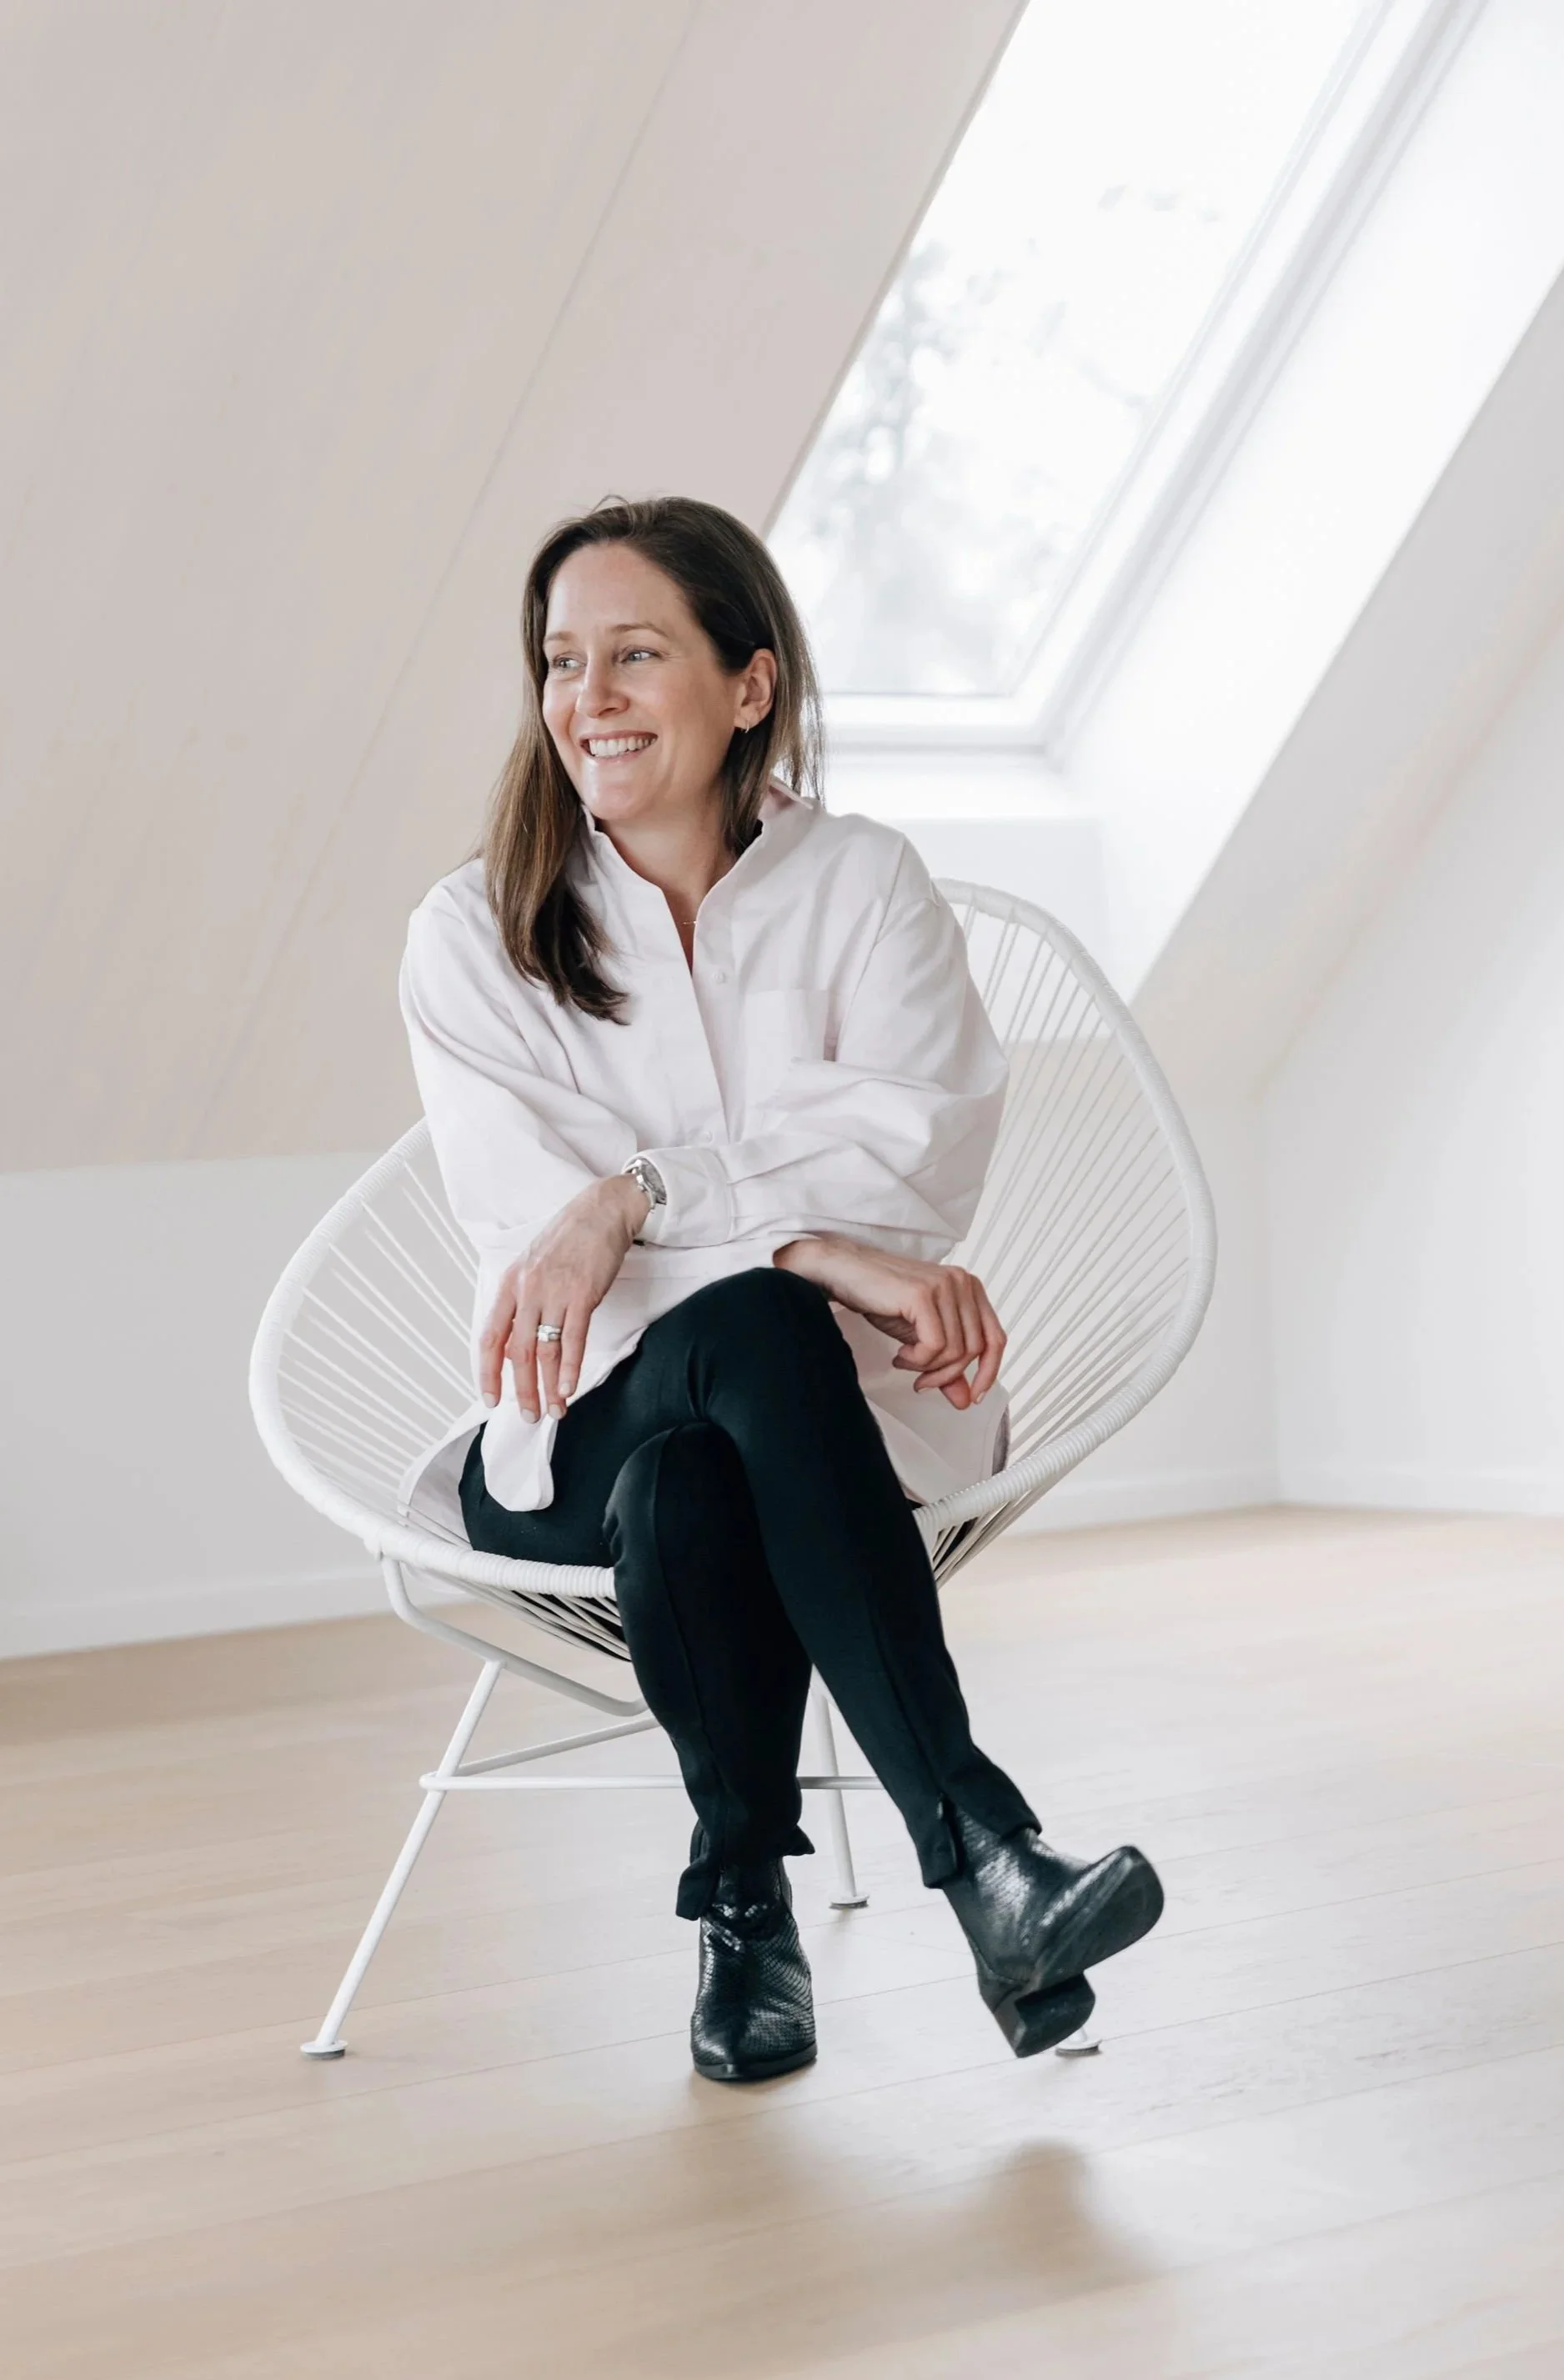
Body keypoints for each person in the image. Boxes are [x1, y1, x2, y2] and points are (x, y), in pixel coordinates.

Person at [399, 495, 1163, 2085]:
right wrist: (805, 1243)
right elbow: (546, 1234)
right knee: (737, 1339)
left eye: (634, 654)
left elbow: (915, 1160)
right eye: (560, 661)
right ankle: (986, 1863)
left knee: (705, 1466)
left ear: (749, 685)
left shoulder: (867, 887)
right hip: (568, 1440)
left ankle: (742, 1912)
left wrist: (647, 1195)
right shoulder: (473, 934)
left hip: (831, 1437)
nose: (586, 697)